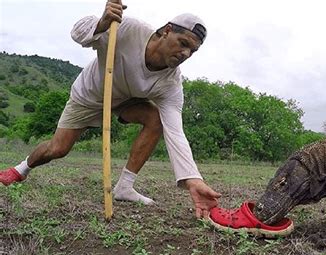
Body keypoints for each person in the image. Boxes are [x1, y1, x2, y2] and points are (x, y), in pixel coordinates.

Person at [0, 0, 221, 218]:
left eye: (192, 51)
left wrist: (193, 178)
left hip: (125, 101)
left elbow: (175, 131)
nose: (185, 54)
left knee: (157, 119)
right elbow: (78, 32)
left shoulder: (171, 84)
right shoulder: (128, 29)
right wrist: (102, 23)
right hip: (89, 96)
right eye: (183, 43)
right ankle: (21, 170)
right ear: (166, 30)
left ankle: (125, 187)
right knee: (58, 149)